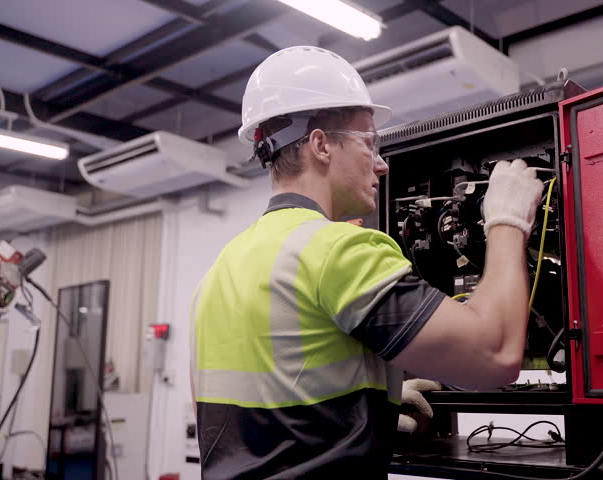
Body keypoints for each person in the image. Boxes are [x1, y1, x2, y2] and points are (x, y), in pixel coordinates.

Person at [189, 46, 544, 479]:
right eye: (369, 142)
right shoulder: (338, 251)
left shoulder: (220, 271)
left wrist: (363, 416)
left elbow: (255, 424)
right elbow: (497, 354)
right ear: (320, 144)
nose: (381, 165)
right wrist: (507, 221)